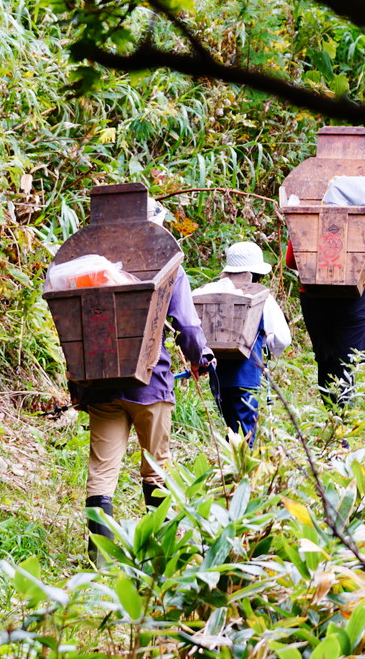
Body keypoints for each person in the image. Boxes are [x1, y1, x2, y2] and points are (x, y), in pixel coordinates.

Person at [76, 197, 213, 558]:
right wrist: (200, 359)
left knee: (102, 471)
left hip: (102, 382)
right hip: (150, 384)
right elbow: (186, 323)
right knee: (156, 467)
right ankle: (159, 550)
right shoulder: (167, 265)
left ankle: (100, 556)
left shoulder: (87, 264)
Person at [285, 237, 365, 408]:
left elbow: (291, 260)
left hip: (315, 295)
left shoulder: (308, 217)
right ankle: (342, 418)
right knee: (347, 359)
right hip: (353, 297)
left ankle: (331, 414)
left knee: (325, 356)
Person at [205, 240, 292, 444]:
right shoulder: (261, 297)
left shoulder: (208, 292)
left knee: (231, 426)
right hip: (247, 375)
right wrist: (268, 345)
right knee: (246, 431)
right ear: (253, 273)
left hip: (217, 376)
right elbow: (282, 338)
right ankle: (243, 472)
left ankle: (233, 469)